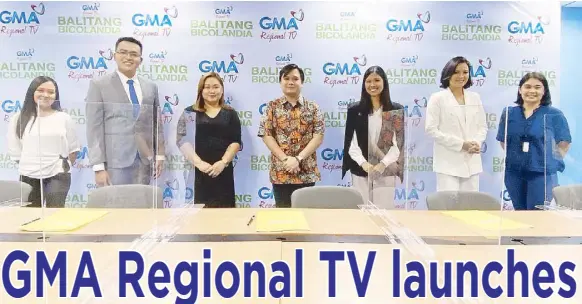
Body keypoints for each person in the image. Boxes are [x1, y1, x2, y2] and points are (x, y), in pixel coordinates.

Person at [85, 37, 165, 187]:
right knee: (116, 206)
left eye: (134, 54)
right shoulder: (99, 85)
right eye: (123, 52)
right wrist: (98, 167)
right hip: (114, 162)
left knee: (142, 204)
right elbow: (93, 128)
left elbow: (156, 123)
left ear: (140, 59)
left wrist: (159, 154)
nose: (128, 57)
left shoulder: (150, 87)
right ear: (115, 56)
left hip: (144, 160)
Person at [497, 72, 571, 210]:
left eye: (537, 87)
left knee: (537, 214)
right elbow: (503, 141)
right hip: (514, 173)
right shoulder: (508, 113)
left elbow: (564, 142)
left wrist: (550, 161)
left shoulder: (554, 114)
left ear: (544, 91)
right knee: (520, 213)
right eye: (527, 87)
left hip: (541, 174)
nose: (532, 91)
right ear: (520, 90)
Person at [257, 64, 325, 208]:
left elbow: (318, 136)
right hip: (281, 172)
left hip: (307, 172)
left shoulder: (313, 107)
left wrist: (298, 159)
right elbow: (266, 135)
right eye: (286, 78)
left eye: (295, 78)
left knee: (307, 216)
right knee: (283, 218)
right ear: (280, 82)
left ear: (302, 82)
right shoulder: (272, 107)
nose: (290, 82)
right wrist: (286, 159)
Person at [7, 76, 80, 207]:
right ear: (32, 92)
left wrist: (60, 166)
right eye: (41, 90)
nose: (45, 95)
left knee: (55, 215)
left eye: (51, 92)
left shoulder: (64, 118)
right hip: (28, 174)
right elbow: (16, 151)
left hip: (58, 173)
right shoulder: (17, 119)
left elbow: (73, 150)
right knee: (29, 217)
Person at [342, 66, 405, 208]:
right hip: (360, 169)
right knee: (361, 212)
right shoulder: (355, 110)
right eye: (368, 81)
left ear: (384, 82)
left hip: (386, 170)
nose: (372, 85)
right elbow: (351, 143)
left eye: (377, 80)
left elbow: (398, 145)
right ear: (364, 84)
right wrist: (364, 164)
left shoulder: (395, 109)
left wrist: (382, 165)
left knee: (384, 212)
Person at [176, 72, 242, 208]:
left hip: (223, 171)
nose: (211, 91)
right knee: (199, 216)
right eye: (207, 87)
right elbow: (182, 139)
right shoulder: (190, 112)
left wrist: (223, 162)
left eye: (216, 87)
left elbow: (235, 141)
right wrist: (199, 163)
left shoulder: (230, 113)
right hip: (197, 172)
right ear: (201, 90)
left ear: (222, 90)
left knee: (225, 215)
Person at [425, 56, 488, 192]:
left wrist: (477, 142)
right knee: (448, 207)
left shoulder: (475, 97)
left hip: (472, 163)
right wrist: (461, 145)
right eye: (456, 72)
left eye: (465, 72)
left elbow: (482, 126)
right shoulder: (437, 98)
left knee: (470, 209)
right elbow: (431, 129)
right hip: (448, 163)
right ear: (448, 74)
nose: (461, 76)